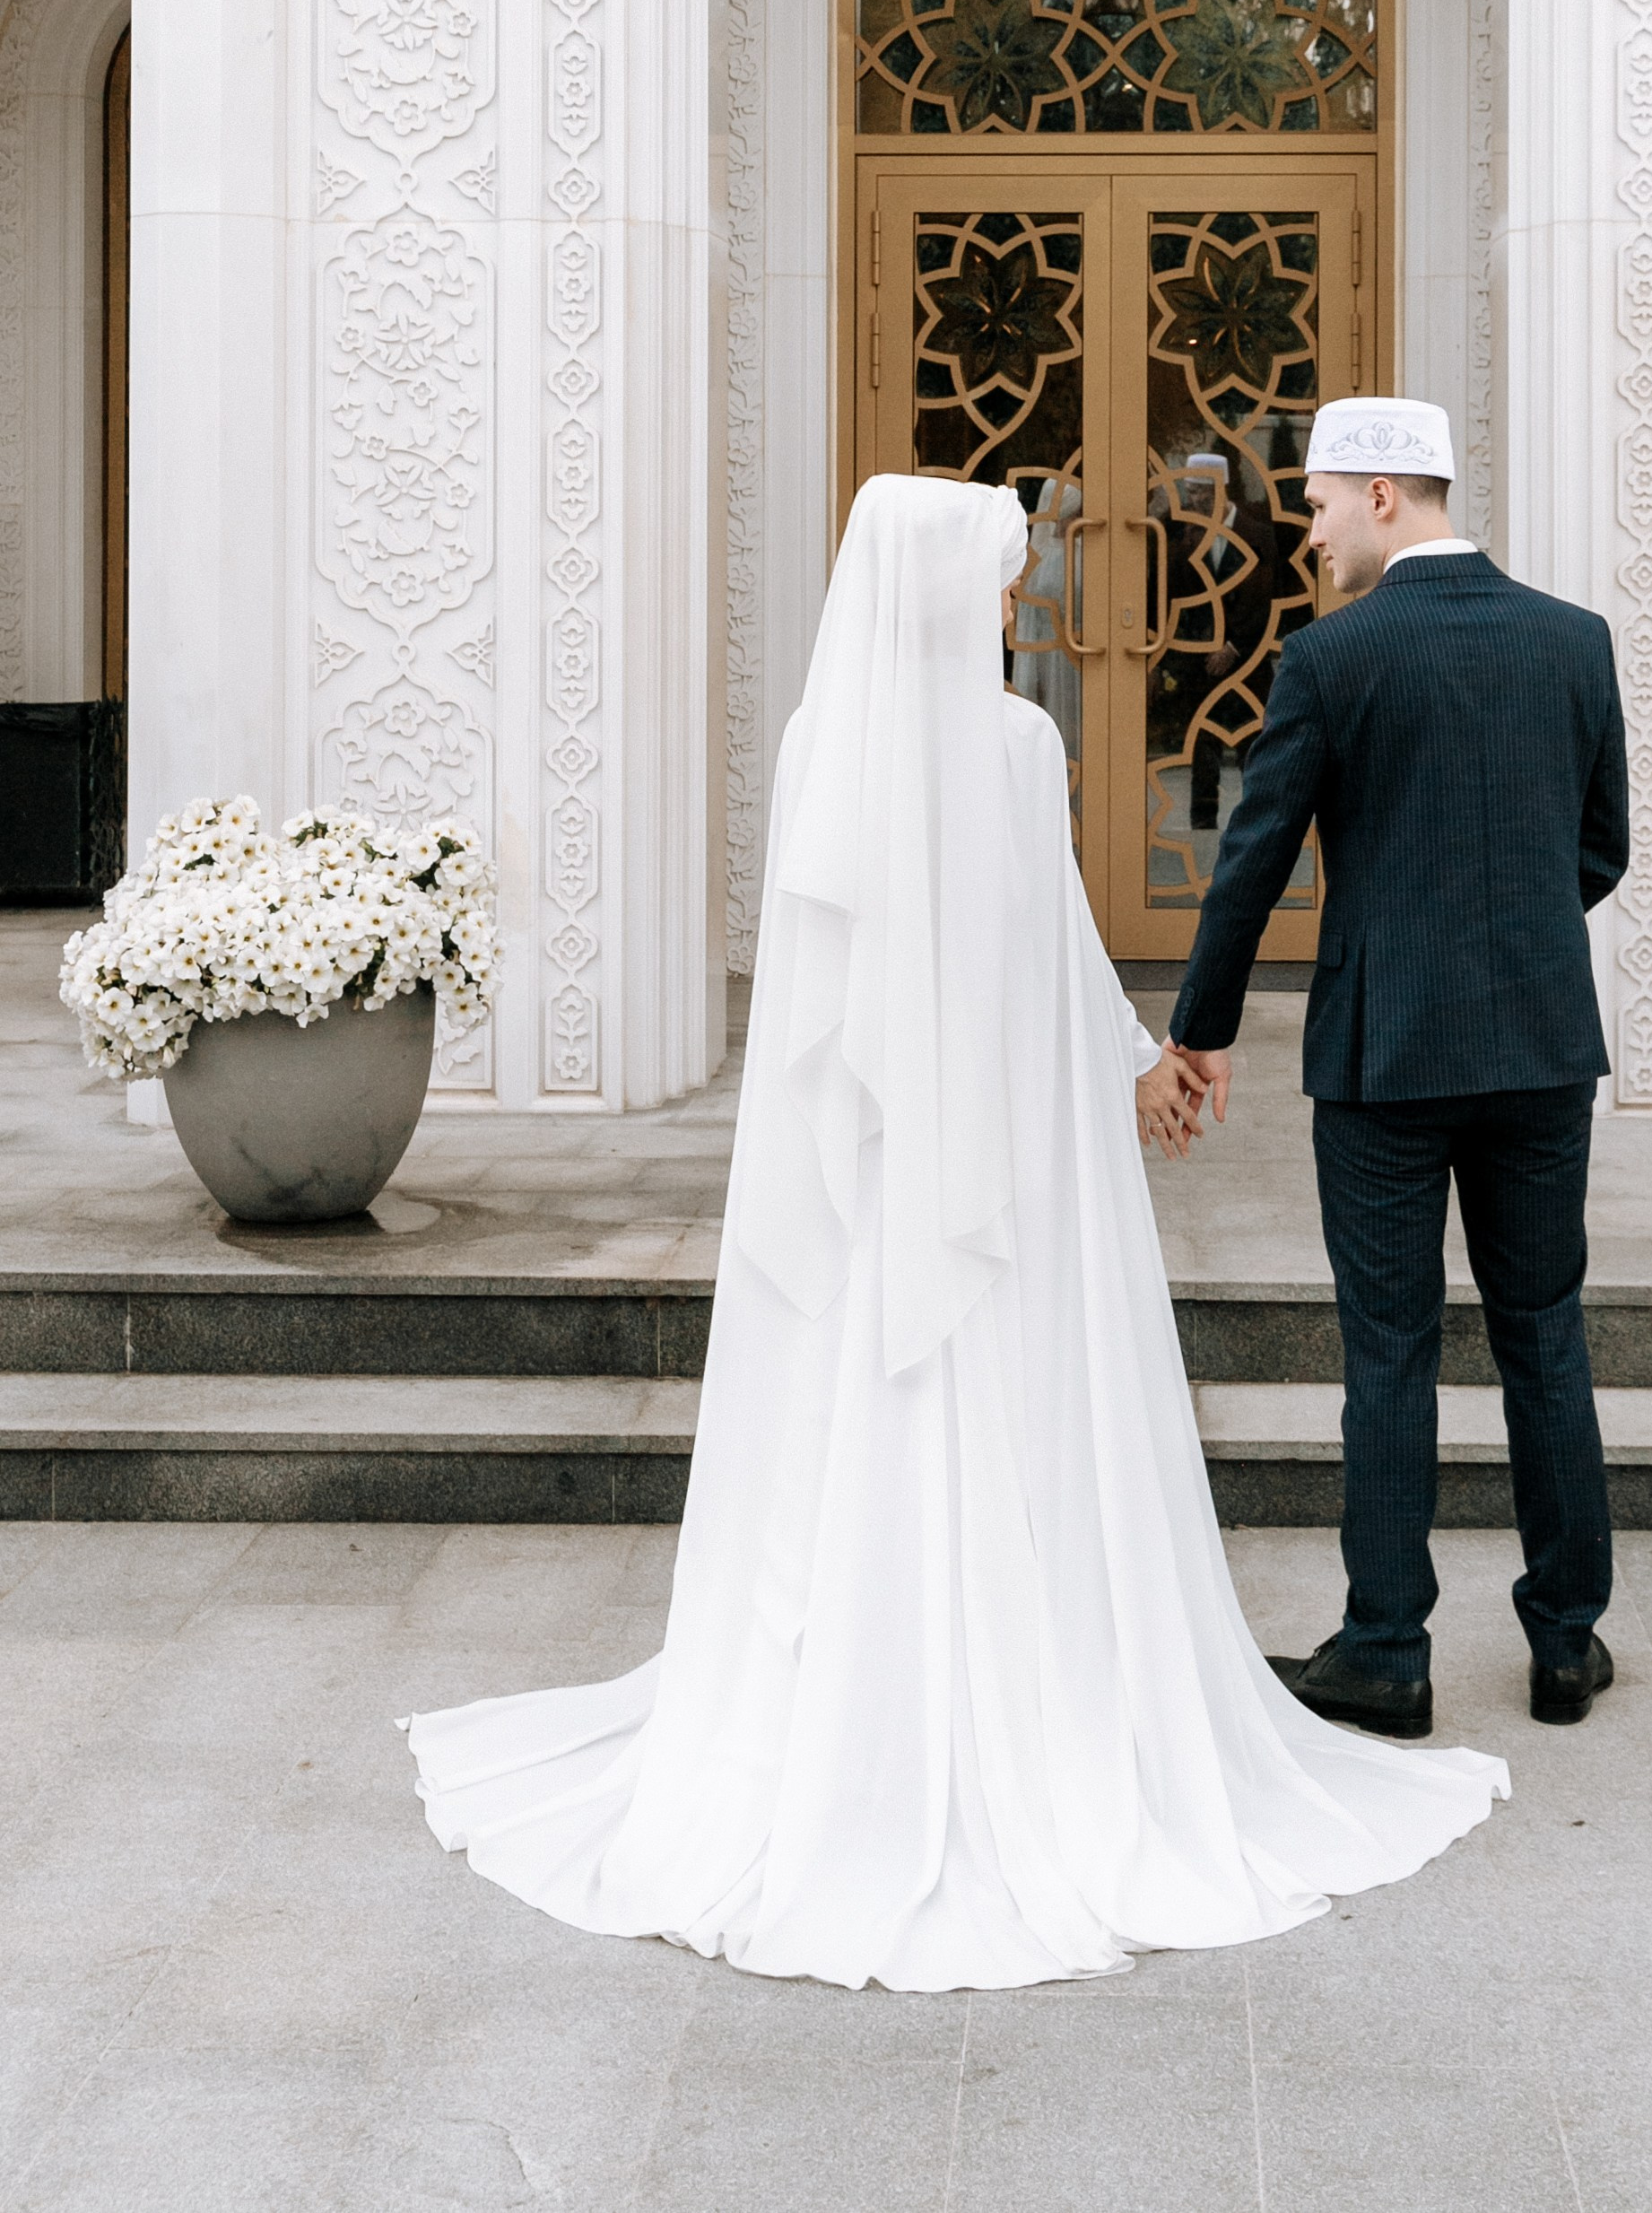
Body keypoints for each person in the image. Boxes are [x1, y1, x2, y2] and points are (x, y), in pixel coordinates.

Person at [403, 472, 1505, 1992]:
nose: (1013, 597)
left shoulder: (821, 740)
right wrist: (1141, 1063)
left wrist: (1131, 1058)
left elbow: (838, 981)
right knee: (1007, 1388)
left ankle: (852, 1703)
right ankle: (1018, 1693)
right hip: (992, 1151)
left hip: (868, 1158)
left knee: (864, 1389)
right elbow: (1046, 947)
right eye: (1001, 573)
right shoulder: (1012, 741)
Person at [1167, 398, 1629, 1741]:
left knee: (1388, 1349)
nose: (1307, 533)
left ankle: (1385, 1652)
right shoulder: (1573, 640)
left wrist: (1200, 1029)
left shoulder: (1333, 657)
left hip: (1385, 1055)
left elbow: (1253, 858)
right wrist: (1511, 943)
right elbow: (1599, 846)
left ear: (1382, 495)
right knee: (1544, 1332)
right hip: (1539, 1046)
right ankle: (1565, 1642)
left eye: (1316, 504)